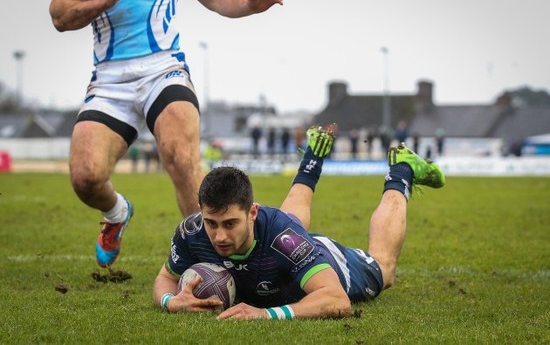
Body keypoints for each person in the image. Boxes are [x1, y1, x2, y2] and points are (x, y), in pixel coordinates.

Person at [49, 0, 284, 268]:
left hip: (163, 69)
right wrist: (104, 0)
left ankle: (211, 264)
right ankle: (117, 213)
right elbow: (61, 15)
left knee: (181, 157)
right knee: (85, 178)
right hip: (109, 79)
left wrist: (248, 3)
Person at [153, 125, 445, 319]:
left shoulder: (283, 237)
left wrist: (267, 315)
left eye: (230, 224)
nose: (218, 236)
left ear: (252, 212)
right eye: (211, 223)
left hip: (327, 260)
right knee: (289, 222)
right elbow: (165, 278)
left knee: (384, 268)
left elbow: (337, 300)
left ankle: (402, 170)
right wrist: (170, 300)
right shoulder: (192, 232)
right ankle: (314, 155)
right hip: (283, 242)